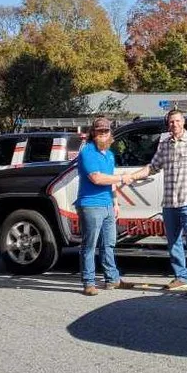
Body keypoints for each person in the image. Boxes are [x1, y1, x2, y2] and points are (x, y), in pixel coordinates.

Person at [127, 109, 187, 296]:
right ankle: (181, 277)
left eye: (177, 121)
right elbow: (153, 167)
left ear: (183, 122)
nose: (174, 125)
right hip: (169, 201)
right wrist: (131, 177)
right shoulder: (165, 143)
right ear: (168, 124)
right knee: (173, 241)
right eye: (171, 122)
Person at [75, 117, 131, 296]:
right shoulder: (87, 152)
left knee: (109, 244)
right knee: (89, 245)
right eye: (100, 132)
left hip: (107, 204)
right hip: (90, 205)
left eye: (106, 132)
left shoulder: (109, 155)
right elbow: (97, 178)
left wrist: (115, 202)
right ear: (93, 133)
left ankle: (112, 279)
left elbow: (110, 181)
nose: (103, 135)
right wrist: (122, 178)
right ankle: (89, 282)